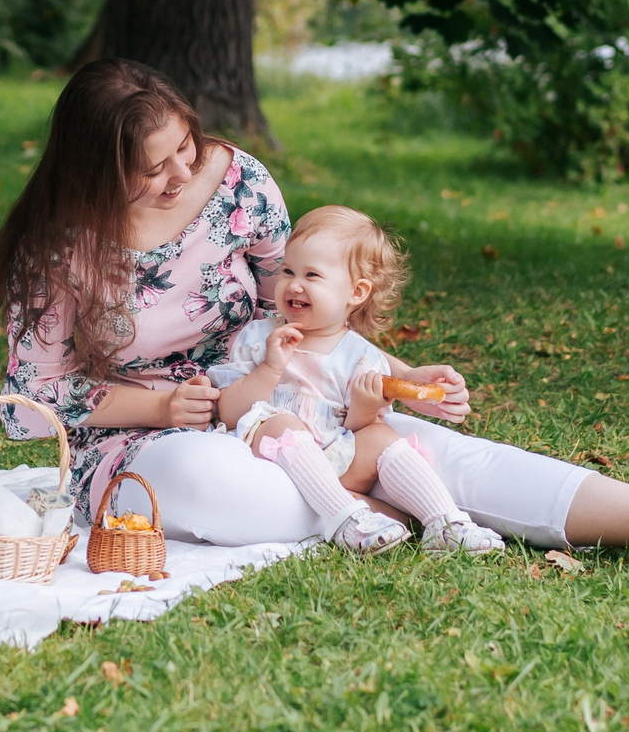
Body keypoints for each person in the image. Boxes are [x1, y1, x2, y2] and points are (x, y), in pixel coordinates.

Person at [0, 58, 629, 584]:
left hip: (290, 398)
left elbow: (302, 304)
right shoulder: (56, 251)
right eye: (151, 168)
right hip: (148, 435)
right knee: (216, 485)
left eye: (184, 150)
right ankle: (397, 495)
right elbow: (32, 402)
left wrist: (379, 380)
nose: (180, 174)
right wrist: (161, 405)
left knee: (442, 446)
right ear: (95, 172)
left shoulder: (237, 184)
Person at [209, 205, 505, 556]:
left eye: (312, 276)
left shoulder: (362, 357)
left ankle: (445, 523)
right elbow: (228, 411)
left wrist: (364, 412)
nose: (294, 284)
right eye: (287, 271)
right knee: (279, 423)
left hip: (335, 461)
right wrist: (270, 369)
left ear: (356, 292)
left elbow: (354, 428)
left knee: (381, 436)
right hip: (271, 461)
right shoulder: (259, 337)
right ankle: (347, 520)